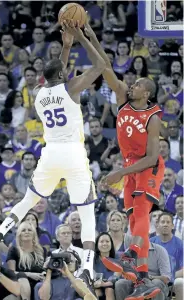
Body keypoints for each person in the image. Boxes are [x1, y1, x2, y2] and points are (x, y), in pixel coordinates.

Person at [0, 20, 106, 297]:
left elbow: (56, 74)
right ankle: (89, 268)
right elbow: (101, 66)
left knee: (28, 200)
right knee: (87, 212)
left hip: (50, 153)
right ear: (64, 74)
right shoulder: (72, 88)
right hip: (74, 154)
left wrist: (65, 48)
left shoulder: (39, 93)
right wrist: (82, 36)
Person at [84, 20, 165, 299]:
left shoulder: (152, 118)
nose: (133, 84)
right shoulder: (121, 98)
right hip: (131, 167)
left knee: (141, 212)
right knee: (133, 221)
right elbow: (105, 65)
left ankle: (129, 256)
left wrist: (121, 171)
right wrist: (90, 35)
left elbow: (153, 157)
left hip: (148, 165)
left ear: (148, 93)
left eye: (139, 84)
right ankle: (143, 279)